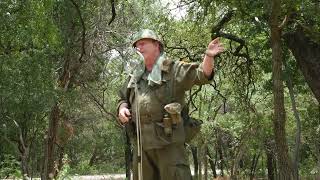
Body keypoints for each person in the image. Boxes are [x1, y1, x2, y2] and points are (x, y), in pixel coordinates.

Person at [117, 29, 224, 180]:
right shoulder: (135, 75)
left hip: (168, 145)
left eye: (142, 43)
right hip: (142, 146)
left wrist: (209, 56)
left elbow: (202, 75)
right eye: (136, 45)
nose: (138, 48)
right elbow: (123, 98)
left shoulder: (173, 70)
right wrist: (122, 109)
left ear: (156, 45)